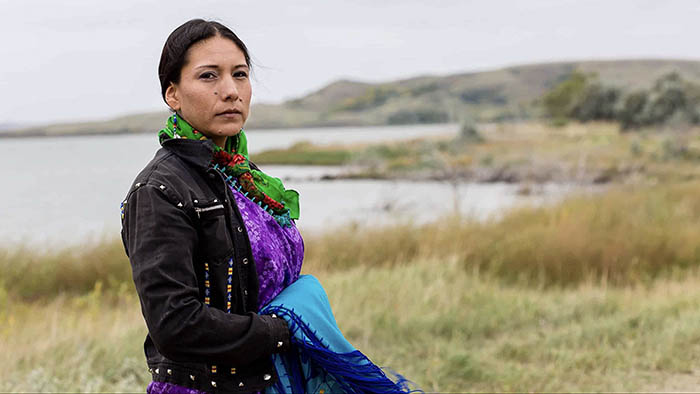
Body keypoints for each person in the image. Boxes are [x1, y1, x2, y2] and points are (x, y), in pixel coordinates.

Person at [121, 18, 417, 394]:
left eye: (240, 74)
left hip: (273, 379)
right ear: (173, 95)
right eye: (209, 76)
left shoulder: (240, 173)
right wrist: (282, 329)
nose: (230, 91)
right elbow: (175, 325)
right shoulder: (159, 190)